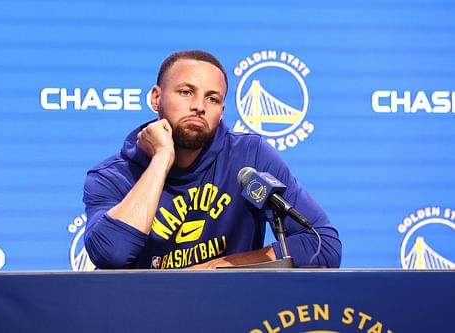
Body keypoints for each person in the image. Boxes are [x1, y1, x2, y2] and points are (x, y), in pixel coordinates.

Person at [83, 50, 341, 269]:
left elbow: (322, 244)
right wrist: (161, 158)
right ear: (156, 97)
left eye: (212, 98)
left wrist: (216, 269)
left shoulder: (249, 157)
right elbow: (111, 254)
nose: (199, 106)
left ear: (222, 111)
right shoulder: (113, 176)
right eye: (186, 92)